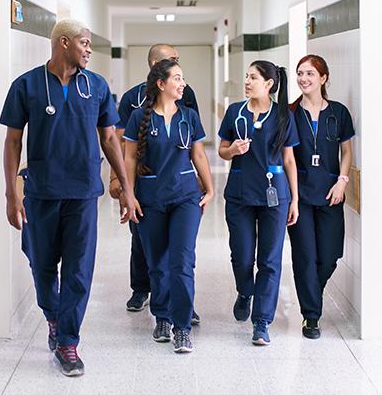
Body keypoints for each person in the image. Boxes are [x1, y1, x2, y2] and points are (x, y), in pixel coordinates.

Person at [0, 19, 138, 377]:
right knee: (41, 263)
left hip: (82, 193)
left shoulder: (96, 86)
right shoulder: (27, 85)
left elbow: (110, 139)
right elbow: (13, 141)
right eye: (84, 42)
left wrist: (126, 188)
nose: (89, 49)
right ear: (64, 43)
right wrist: (11, 195)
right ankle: (53, 316)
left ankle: (68, 342)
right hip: (41, 192)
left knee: (79, 269)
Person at [122, 59, 214, 353]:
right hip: (150, 198)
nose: (182, 83)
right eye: (177, 78)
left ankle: (182, 326)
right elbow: (130, 159)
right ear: (161, 84)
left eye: (182, 78)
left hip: (185, 197)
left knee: (182, 262)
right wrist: (129, 195)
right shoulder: (139, 117)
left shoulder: (189, 116)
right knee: (158, 263)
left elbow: (199, 155)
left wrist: (210, 188)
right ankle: (161, 316)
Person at [110, 43, 202, 325]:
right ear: (154, 66)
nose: (176, 65)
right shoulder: (132, 99)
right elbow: (120, 140)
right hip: (144, 181)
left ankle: (182, 304)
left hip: (178, 181)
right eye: (170, 60)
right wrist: (119, 181)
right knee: (144, 243)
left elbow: (193, 139)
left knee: (182, 251)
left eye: (177, 59)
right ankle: (141, 289)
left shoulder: (186, 94)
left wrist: (199, 181)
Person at [217, 60, 300, 345]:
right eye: (247, 76)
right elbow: (221, 151)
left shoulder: (283, 116)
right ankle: (245, 291)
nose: (247, 81)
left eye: (253, 77)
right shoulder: (234, 112)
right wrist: (233, 150)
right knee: (241, 255)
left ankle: (262, 321)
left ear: (269, 84)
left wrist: (295, 199)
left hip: (274, 194)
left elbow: (289, 159)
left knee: (270, 260)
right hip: (240, 192)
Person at [286, 54, 355, 340]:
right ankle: (311, 317)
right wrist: (291, 197)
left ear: (323, 78)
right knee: (305, 257)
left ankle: (312, 290)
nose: (304, 79)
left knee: (328, 257)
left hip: (330, 193)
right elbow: (286, 156)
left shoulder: (338, 112)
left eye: (310, 74)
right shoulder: (289, 113)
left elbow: (347, 151)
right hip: (300, 194)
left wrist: (342, 182)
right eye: (300, 73)